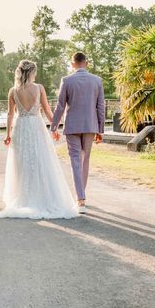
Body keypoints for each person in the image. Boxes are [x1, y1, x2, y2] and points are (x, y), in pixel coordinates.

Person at [0, 60, 78, 219]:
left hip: (21, 127)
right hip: (36, 127)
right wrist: (54, 128)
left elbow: (10, 114)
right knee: (41, 160)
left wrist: (8, 134)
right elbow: (47, 110)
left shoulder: (13, 91)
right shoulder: (39, 88)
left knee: (22, 162)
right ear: (32, 72)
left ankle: (24, 197)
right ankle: (41, 197)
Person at [51, 52, 105, 214]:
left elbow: (60, 106)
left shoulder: (67, 80)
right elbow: (100, 107)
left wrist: (54, 126)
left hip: (72, 126)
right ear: (86, 63)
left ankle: (80, 199)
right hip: (90, 125)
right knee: (85, 159)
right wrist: (100, 129)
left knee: (75, 160)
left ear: (73, 64)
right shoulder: (97, 81)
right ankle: (81, 197)